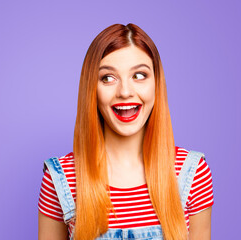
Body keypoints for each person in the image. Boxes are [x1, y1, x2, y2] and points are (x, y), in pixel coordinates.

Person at [37, 23, 213, 240]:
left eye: (139, 75)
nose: (125, 92)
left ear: (156, 84)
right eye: (108, 78)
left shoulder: (192, 173)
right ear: (92, 88)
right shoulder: (61, 178)